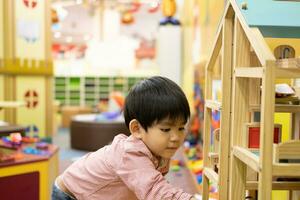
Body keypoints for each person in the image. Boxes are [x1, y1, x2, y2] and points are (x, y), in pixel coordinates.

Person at [52, 76, 197, 200]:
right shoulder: (130, 154)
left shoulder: (160, 148)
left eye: (181, 128)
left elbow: (149, 185)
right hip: (70, 195)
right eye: (166, 129)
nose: (176, 137)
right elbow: (155, 190)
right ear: (137, 129)